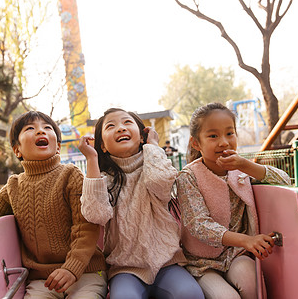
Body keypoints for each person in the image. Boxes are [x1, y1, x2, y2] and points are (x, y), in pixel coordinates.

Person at [0, 111, 107, 299]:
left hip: (85, 271)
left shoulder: (70, 175)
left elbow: (86, 228)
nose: (41, 131)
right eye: (30, 128)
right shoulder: (13, 186)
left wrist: (72, 269)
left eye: (47, 128)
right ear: (17, 150)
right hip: (42, 279)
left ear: (57, 146)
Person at [78, 108, 205, 299]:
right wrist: (91, 158)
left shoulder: (155, 165)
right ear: (102, 145)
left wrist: (153, 145)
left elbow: (160, 183)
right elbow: (96, 215)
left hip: (167, 264)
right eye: (111, 126)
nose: (120, 128)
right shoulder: (103, 179)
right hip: (126, 269)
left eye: (127, 123)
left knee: (190, 294)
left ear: (141, 137)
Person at [176, 102, 291, 299]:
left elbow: (285, 179)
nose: (224, 142)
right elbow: (199, 225)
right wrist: (247, 240)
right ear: (196, 143)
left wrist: (246, 165)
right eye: (213, 136)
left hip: (236, 254)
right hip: (202, 262)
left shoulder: (241, 169)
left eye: (230, 133)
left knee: (253, 286)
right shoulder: (188, 176)